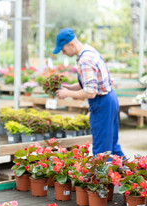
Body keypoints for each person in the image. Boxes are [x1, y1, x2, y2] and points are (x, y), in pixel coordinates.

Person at [52, 28, 124, 157]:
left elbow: (90, 92)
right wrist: (71, 87)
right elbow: (92, 81)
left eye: (63, 50)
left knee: (102, 151)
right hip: (110, 99)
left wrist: (67, 94)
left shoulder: (84, 60)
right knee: (112, 145)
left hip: (101, 104)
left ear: (71, 44)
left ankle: (103, 175)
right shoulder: (90, 51)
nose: (63, 53)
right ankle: (134, 173)